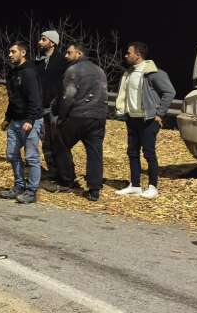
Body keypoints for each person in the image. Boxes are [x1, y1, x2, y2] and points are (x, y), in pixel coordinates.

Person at [44, 43, 107, 201]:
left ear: (79, 53)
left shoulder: (73, 70)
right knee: (94, 152)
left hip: (78, 116)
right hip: (98, 117)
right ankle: (94, 189)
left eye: (69, 52)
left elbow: (68, 97)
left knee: (60, 144)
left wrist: (61, 117)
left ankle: (67, 181)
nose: (66, 56)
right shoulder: (100, 71)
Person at [114, 41, 176, 200]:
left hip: (148, 120)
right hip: (132, 119)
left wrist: (159, 114)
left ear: (138, 54)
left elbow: (169, 92)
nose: (126, 55)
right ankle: (135, 186)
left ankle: (153, 187)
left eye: (129, 52)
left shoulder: (153, 73)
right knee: (132, 153)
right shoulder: (129, 73)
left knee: (149, 153)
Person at [0, 41, 44, 204]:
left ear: (23, 53)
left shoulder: (29, 73)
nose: (10, 54)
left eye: (13, 51)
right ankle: (19, 186)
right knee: (11, 154)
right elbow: (14, 99)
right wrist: (7, 118)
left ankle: (32, 192)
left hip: (29, 121)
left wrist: (30, 120)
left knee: (31, 157)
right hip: (15, 120)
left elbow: (35, 98)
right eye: (9, 52)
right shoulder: (13, 73)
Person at [37, 30, 67, 178]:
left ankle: (64, 174)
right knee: (46, 142)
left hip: (55, 108)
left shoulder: (62, 61)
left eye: (43, 39)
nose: (40, 42)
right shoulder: (39, 61)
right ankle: (53, 172)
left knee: (58, 142)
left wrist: (59, 104)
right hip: (41, 107)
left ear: (52, 42)